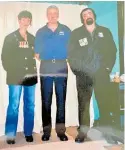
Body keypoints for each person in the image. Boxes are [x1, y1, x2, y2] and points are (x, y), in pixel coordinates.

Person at [68, 8, 121, 143]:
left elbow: (112, 51)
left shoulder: (105, 31)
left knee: (104, 104)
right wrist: (78, 71)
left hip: (101, 74)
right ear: (82, 19)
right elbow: (71, 55)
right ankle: (83, 133)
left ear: (94, 16)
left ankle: (108, 134)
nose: (87, 16)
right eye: (84, 15)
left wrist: (107, 68)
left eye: (89, 13)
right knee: (83, 105)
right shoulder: (76, 34)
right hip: (83, 76)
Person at [34, 5, 71, 141]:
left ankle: (61, 132)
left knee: (61, 100)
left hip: (61, 65)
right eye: (50, 13)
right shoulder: (40, 32)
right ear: (46, 15)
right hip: (46, 66)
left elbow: (72, 48)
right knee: (46, 100)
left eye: (55, 13)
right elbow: (37, 54)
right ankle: (46, 132)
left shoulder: (66, 30)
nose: (52, 15)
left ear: (58, 14)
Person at [1, 10, 37, 144]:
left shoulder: (33, 38)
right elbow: (4, 58)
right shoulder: (10, 37)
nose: (26, 21)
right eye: (23, 18)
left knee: (30, 105)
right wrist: (12, 70)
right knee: (14, 105)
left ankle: (28, 132)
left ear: (30, 21)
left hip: (30, 76)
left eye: (28, 18)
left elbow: (37, 54)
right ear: (19, 20)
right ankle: (10, 134)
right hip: (15, 76)